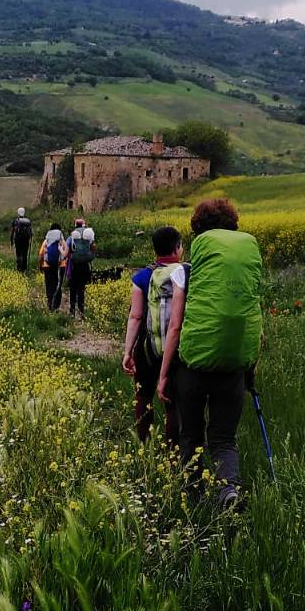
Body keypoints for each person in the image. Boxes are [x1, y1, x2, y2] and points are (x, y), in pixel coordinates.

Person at [157, 198, 263, 511]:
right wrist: (250, 367)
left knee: (191, 435)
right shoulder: (244, 269)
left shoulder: (185, 273)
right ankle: (228, 491)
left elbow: (175, 327)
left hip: (192, 367)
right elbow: (254, 323)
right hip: (233, 366)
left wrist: (163, 375)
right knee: (224, 438)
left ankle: (193, 498)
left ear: (197, 230)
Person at [122, 224, 184, 442]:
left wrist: (128, 351)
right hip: (176, 347)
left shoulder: (143, 276)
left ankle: (144, 444)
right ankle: (173, 452)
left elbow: (135, 316)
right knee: (172, 402)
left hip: (147, 347)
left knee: (143, 396)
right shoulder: (185, 274)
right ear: (177, 248)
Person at [67, 216, 96, 320]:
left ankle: (72, 311)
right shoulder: (88, 235)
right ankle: (81, 312)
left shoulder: (72, 236)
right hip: (85, 266)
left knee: (73, 289)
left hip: (74, 266)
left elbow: (67, 249)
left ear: (75, 225)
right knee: (81, 289)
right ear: (84, 225)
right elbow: (93, 248)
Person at [39, 222, 67, 311]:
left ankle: (50, 303)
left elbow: (41, 255)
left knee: (49, 284)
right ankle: (56, 306)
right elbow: (66, 254)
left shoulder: (46, 241)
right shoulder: (62, 241)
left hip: (47, 265)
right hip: (60, 266)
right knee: (58, 285)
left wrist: (40, 266)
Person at [10, 207, 34, 272]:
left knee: (18, 254)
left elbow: (12, 232)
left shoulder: (15, 221)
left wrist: (11, 241)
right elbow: (31, 232)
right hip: (26, 240)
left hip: (18, 240)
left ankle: (19, 268)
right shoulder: (28, 221)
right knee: (25, 254)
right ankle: (24, 269)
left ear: (18, 213)